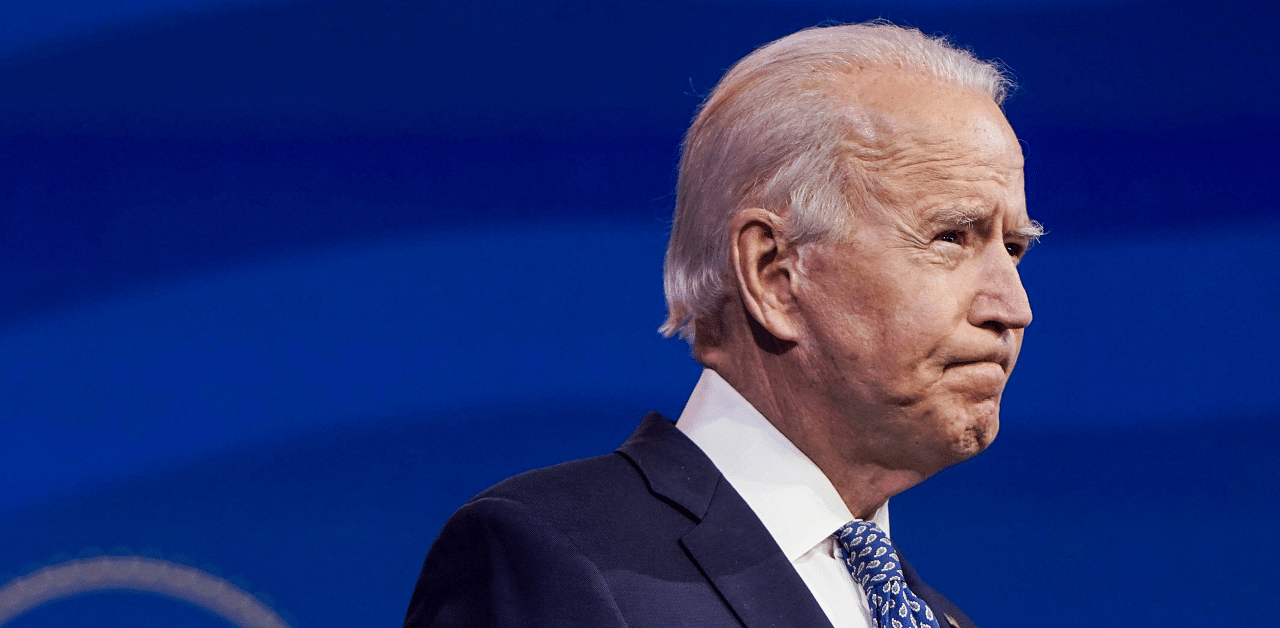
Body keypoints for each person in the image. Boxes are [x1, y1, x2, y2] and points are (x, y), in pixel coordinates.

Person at [404, 21, 1040, 628]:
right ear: (774, 273)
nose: (1013, 307)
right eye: (952, 237)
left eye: (1013, 249)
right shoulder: (554, 556)